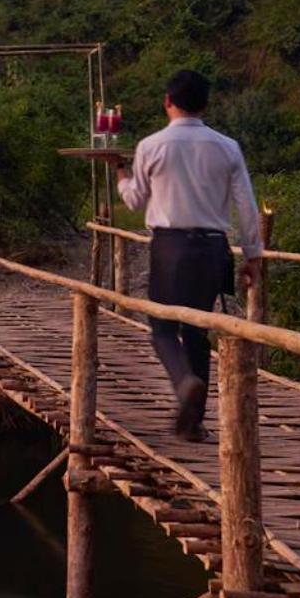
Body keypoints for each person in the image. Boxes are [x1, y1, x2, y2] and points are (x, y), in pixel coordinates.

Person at [113, 70, 264, 442]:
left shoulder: (151, 146)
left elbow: (135, 199)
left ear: (168, 101)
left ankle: (184, 383)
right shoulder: (227, 146)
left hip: (170, 248)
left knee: (163, 326)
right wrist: (253, 255)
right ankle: (193, 424)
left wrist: (120, 173)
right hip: (213, 248)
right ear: (206, 104)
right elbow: (246, 204)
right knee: (197, 330)